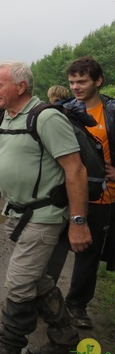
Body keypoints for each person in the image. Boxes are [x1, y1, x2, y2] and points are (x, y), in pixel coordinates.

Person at [0, 61, 91, 354]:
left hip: (44, 216)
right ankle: (65, 339)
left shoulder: (47, 118)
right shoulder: (1, 120)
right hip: (17, 215)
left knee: (18, 283)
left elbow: (75, 170)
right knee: (36, 278)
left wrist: (78, 222)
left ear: (21, 87)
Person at [45, 56, 115, 329]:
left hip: (101, 196)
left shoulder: (111, 112)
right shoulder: (64, 111)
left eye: (82, 81)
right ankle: (45, 300)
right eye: (72, 81)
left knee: (87, 255)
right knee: (53, 250)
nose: (75, 87)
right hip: (65, 192)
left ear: (98, 81)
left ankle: (77, 305)